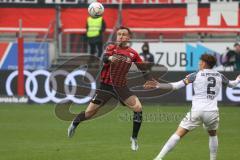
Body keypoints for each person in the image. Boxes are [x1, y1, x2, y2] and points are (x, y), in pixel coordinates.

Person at [68, 26, 155, 151]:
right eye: (119, 34)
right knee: (89, 113)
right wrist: (109, 58)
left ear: (129, 37)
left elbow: (143, 69)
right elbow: (104, 58)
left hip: (121, 87)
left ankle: (134, 138)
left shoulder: (133, 53)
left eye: (123, 34)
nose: (120, 36)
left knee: (138, 108)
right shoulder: (111, 48)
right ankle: (75, 123)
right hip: (106, 86)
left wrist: (149, 80)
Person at [144, 54, 240, 160]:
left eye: (200, 61)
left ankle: (158, 158)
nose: (199, 63)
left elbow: (176, 86)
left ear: (204, 63)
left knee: (178, 133)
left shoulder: (195, 75)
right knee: (212, 134)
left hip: (197, 111)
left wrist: (158, 85)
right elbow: (233, 84)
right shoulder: (219, 76)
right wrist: (238, 79)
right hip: (212, 111)